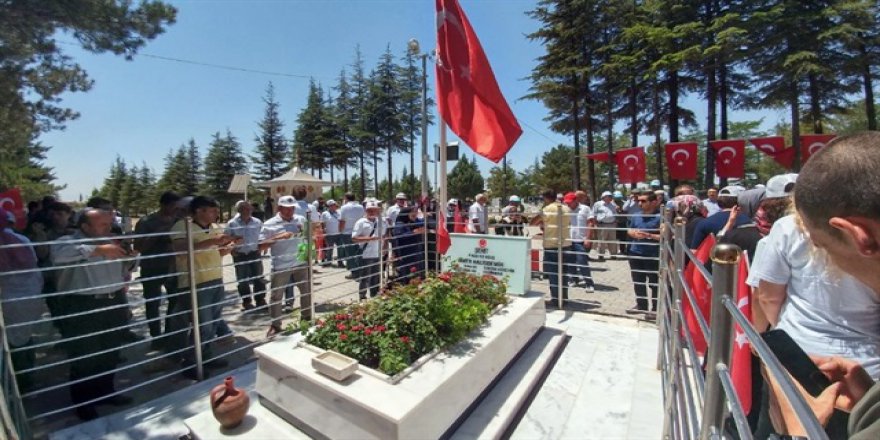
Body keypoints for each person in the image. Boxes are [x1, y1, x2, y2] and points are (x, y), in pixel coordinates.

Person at [757, 132, 880, 439]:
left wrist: (800, 434)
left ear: (857, 235)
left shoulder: (785, 229)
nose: (821, 251)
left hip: (802, 354)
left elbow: (768, 296)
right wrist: (871, 404)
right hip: (866, 369)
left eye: (822, 245)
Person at [51, 209, 136, 420]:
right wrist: (98, 250)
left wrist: (130, 257)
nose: (109, 228)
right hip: (82, 304)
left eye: (109, 223)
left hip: (113, 299)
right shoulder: (66, 242)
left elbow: (125, 269)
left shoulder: (112, 241)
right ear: (85, 227)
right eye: (103, 224)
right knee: (85, 354)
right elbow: (58, 256)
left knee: (111, 349)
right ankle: (84, 402)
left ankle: (106, 391)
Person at [166, 196, 237, 375]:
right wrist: (214, 242)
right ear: (199, 211)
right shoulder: (182, 227)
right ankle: (191, 363)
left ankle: (204, 356)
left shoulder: (214, 228)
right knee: (202, 325)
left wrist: (225, 248)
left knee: (211, 323)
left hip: (215, 279)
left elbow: (215, 252)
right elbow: (182, 250)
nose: (216, 214)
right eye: (212, 210)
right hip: (195, 282)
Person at [0, 208, 44, 392]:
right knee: (23, 339)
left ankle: (12, 385)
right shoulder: (22, 240)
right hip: (26, 297)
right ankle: (25, 382)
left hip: (8, 298)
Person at [133, 191, 181, 345]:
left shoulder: (178, 220)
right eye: (173, 206)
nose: (175, 209)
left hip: (173, 266)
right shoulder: (146, 221)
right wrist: (158, 233)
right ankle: (156, 336)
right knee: (153, 303)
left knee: (175, 301)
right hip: (152, 267)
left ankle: (170, 333)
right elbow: (138, 246)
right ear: (163, 205)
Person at [259, 195, 311, 336]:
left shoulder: (300, 219)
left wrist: (306, 256)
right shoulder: (270, 223)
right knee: (276, 296)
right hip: (281, 265)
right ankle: (275, 325)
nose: (290, 211)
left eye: (292, 208)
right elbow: (260, 245)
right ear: (279, 208)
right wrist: (278, 237)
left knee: (306, 291)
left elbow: (306, 237)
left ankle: (307, 318)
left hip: (300, 262)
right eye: (286, 209)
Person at [626, 191, 662, 317]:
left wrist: (649, 235)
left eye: (643, 201)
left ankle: (655, 309)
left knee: (654, 283)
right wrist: (632, 233)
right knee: (638, 282)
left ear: (653, 202)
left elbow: (667, 235)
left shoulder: (660, 217)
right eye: (638, 201)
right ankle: (641, 305)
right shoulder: (636, 215)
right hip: (635, 253)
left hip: (653, 255)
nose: (639, 203)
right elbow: (629, 229)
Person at [226, 200, 267, 311]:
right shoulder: (232, 223)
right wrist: (232, 249)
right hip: (240, 254)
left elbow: (262, 235)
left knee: (258, 278)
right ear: (239, 210)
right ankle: (246, 301)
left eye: (249, 208)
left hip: (254, 253)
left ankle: (260, 300)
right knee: (242, 280)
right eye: (244, 208)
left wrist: (263, 246)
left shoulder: (257, 222)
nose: (248, 210)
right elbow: (226, 238)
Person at [536, 189, 571, 304]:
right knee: (563, 273)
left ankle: (556, 299)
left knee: (553, 273)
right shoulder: (566, 208)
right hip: (565, 244)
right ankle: (564, 298)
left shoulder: (547, 209)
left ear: (545, 198)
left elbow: (534, 221)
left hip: (551, 245)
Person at [352, 200, 387, 300]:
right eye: (369, 210)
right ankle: (362, 296)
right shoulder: (360, 222)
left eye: (374, 210)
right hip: (366, 254)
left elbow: (384, 235)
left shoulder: (381, 221)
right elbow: (354, 238)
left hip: (378, 253)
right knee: (365, 277)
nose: (372, 212)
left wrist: (384, 247)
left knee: (376, 276)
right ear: (365, 211)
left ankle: (375, 295)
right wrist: (369, 238)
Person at [564, 192, 595, 292]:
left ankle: (589, 283)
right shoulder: (566, 210)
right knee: (570, 262)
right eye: (566, 203)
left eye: (569, 202)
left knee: (582, 262)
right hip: (569, 240)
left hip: (581, 240)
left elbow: (590, 223)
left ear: (576, 200)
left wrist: (588, 238)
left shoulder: (585, 209)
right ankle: (573, 279)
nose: (568, 204)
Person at [391, 206, 426, 283]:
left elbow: (422, 222)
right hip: (406, 254)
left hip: (414, 253)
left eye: (416, 213)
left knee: (416, 275)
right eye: (413, 213)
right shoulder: (400, 224)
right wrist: (413, 232)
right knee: (406, 276)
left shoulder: (411, 222)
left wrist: (427, 216)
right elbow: (399, 235)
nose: (415, 214)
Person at [338, 193, 365, 277]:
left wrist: (340, 231)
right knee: (359, 252)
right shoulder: (361, 207)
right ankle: (360, 270)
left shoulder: (344, 207)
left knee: (350, 253)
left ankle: (354, 272)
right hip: (359, 232)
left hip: (348, 232)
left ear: (346, 198)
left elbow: (342, 221)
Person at [592, 191, 618, 260]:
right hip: (602, 225)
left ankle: (613, 255)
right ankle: (601, 255)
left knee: (612, 240)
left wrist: (615, 221)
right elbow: (594, 214)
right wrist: (595, 224)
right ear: (604, 197)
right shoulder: (597, 204)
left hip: (612, 224)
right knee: (601, 240)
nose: (610, 197)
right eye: (609, 196)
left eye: (611, 196)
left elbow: (615, 213)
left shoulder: (613, 204)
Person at [320, 200, 343, 267]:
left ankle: (340, 262)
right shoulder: (325, 213)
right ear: (329, 206)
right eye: (332, 205)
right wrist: (323, 232)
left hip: (339, 233)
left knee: (340, 249)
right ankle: (329, 262)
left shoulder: (339, 212)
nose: (333, 206)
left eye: (334, 205)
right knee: (329, 249)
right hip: (329, 234)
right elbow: (322, 223)